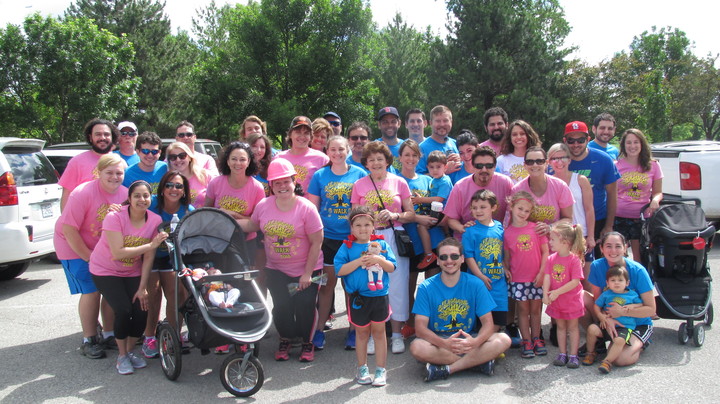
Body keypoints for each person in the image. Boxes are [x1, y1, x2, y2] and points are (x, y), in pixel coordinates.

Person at [238, 159, 324, 362]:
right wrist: (221, 219)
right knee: (282, 305)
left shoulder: (306, 208)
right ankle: (285, 338)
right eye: (277, 183)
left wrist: (307, 274)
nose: (282, 186)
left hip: (306, 268)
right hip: (276, 267)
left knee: (305, 305)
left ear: (294, 181)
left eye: (286, 181)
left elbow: (317, 242)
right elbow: (252, 224)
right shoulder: (264, 205)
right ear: (271, 186)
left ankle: (307, 342)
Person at [89, 180, 168, 375]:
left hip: (132, 270)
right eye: (137, 196)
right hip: (105, 269)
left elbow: (149, 257)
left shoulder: (155, 220)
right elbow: (118, 253)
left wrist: (143, 288)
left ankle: (131, 350)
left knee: (142, 308)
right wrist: (151, 245)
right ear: (129, 199)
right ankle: (122, 355)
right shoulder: (114, 217)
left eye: (146, 196)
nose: (142, 199)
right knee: (123, 310)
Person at [54, 154, 128, 359]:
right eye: (109, 173)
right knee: (92, 290)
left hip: (102, 249)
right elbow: (69, 230)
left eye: (119, 173)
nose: (114, 177)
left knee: (110, 287)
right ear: (98, 173)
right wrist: (88, 257)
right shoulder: (83, 192)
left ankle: (109, 333)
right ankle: (89, 339)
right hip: (73, 246)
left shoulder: (124, 194)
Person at [410, 238, 512, 382]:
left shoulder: (476, 284)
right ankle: (478, 362)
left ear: (462, 259)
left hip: (468, 340)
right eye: (443, 257)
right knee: (417, 347)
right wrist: (444, 343)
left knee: (503, 339)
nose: (449, 261)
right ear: (438, 261)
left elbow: (488, 323)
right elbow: (420, 329)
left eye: (454, 256)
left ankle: (448, 369)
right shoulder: (426, 287)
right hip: (439, 342)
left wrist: (475, 342)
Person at [351, 141, 415, 354]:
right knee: (372, 285)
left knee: (397, 284)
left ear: (387, 161)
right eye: (371, 160)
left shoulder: (399, 182)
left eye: (380, 159)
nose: (376, 163)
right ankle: (372, 335)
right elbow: (353, 216)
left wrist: (395, 215)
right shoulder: (359, 185)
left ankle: (397, 334)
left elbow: (411, 213)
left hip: (393, 236)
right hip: (368, 238)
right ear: (366, 163)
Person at [306, 136, 366, 350]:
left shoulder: (359, 174)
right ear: (327, 151)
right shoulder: (320, 175)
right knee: (326, 285)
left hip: (351, 239)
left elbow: (364, 207)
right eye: (333, 149)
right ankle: (319, 329)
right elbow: (312, 209)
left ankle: (353, 329)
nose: (337, 153)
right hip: (327, 239)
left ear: (348, 150)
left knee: (351, 287)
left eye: (341, 149)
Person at [335, 206, 397, 387]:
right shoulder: (346, 246)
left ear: (373, 226)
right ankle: (362, 368)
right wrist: (358, 261)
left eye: (367, 224)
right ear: (352, 228)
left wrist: (379, 260)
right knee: (361, 334)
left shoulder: (382, 245)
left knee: (379, 333)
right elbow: (339, 270)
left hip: (379, 296)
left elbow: (392, 267)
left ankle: (380, 369)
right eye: (358, 225)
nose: (363, 229)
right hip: (358, 298)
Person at [142, 171, 195, 358]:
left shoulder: (188, 209)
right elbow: (129, 210)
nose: (174, 189)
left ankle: (174, 335)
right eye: (169, 185)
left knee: (177, 295)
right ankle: (149, 336)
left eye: (179, 186)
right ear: (162, 189)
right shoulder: (152, 204)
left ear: (184, 190)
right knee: (153, 294)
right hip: (149, 255)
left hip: (173, 257)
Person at [585, 232, 656, 367]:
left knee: (621, 360)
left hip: (637, 323)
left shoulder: (638, 271)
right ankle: (601, 340)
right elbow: (597, 300)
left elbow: (651, 310)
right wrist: (605, 318)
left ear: (625, 247)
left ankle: (639, 343)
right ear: (601, 248)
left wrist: (622, 312)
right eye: (608, 246)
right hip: (611, 317)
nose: (613, 251)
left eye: (618, 246)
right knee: (581, 297)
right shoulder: (597, 266)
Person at [397, 140, 442, 340]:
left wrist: (432, 218)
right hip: (410, 240)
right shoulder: (395, 180)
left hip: (432, 238)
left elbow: (438, 203)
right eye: (407, 154)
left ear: (419, 157)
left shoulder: (427, 180)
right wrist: (417, 218)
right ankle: (409, 322)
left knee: (433, 284)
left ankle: (431, 322)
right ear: (400, 157)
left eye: (414, 155)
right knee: (409, 284)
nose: (411, 159)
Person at [503, 191, 549, 358]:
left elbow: (545, 252)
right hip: (518, 279)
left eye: (527, 211)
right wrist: (505, 268)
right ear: (511, 207)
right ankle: (526, 340)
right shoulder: (507, 233)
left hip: (536, 277)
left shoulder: (535, 228)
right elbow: (507, 257)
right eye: (520, 209)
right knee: (522, 310)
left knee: (536, 310)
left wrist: (542, 273)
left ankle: (537, 338)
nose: (523, 213)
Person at [204, 142, 265, 266]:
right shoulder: (215, 183)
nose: (238, 163)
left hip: (246, 242)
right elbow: (206, 212)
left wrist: (232, 215)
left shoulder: (257, 187)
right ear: (227, 161)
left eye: (242, 159)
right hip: (218, 240)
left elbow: (258, 221)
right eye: (234, 159)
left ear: (248, 162)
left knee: (244, 280)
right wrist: (221, 214)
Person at [565, 120, 620, 250]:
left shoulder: (603, 159)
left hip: (597, 221)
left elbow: (612, 194)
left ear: (588, 139)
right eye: (571, 140)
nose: (576, 144)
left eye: (581, 140)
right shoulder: (559, 161)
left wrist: (608, 226)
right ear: (564, 141)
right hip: (567, 222)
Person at [582, 265, 643, 373]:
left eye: (620, 280)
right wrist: (601, 317)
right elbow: (597, 306)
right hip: (606, 324)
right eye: (613, 280)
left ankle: (607, 362)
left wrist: (632, 307)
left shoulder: (632, 295)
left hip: (624, 327)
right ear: (607, 283)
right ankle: (590, 353)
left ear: (627, 283)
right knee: (592, 329)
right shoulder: (606, 294)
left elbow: (640, 304)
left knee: (619, 340)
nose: (617, 283)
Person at [548, 143, 595, 282]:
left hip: (581, 234)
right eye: (554, 158)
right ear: (549, 162)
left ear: (569, 160)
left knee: (586, 281)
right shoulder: (548, 182)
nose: (559, 162)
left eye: (563, 157)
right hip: (560, 238)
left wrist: (591, 236)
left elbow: (589, 209)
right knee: (562, 280)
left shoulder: (580, 180)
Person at [614, 128, 663, 261]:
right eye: (628, 142)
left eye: (636, 142)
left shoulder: (653, 165)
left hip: (641, 217)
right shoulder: (616, 166)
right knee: (619, 258)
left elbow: (658, 192)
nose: (632, 146)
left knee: (639, 257)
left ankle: (639, 280)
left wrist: (655, 200)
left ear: (642, 144)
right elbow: (610, 193)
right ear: (623, 145)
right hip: (619, 216)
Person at [462, 190, 507, 332]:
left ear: (493, 207)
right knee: (480, 317)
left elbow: (503, 252)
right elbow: (469, 257)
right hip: (479, 282)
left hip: (498, 282)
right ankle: (484, 346)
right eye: (474, 208)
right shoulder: (470, 231)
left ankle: (490, 343)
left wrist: (505, 267)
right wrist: (480, 276)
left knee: (498, 318)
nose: (478, 211)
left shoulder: (500, 227)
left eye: (483, 207)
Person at [445, 147, 513, 239]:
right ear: (473, 165)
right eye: (479, 166)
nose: (484, 170)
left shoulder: (505, 183)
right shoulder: (460, 187)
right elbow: (451, 219)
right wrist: (464, 229)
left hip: (497, 238)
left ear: (495, 166)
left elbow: (515, 211)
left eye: (489, 166)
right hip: (468, 239)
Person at [542, 222, 586, 369]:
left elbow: (575, 282)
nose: (550, 242)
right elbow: (547, 276)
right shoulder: (551, 259)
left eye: (553, 240)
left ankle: (573, 355)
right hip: (557, 300)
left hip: (571, 300)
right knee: (560, 327)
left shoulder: (574, 260)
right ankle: (562, 353)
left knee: (573, 328)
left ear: (565, 242)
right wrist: (545, 293)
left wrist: (556, 292)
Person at [511, 146, 574, 235]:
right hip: (527, 242)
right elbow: (512, 221)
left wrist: (550, 227)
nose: (535, 165)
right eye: (530, 162)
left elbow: (568, 219)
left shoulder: (560, 186)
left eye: (539, 161)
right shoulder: (517, 190)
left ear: (546, 163)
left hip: (555, 242)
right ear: (525, 165)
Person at [60, 118, 119, 210]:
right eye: (98, 134)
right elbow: (67, 195)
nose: (103, 138)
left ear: (112, 137)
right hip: (83, 221)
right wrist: (65, 221)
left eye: (106, 134)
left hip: (114, 222)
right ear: (90, 137)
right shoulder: (77, 162)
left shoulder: (120, 162)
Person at [415, 150, 452, 270]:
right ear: (427, 167)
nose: (435, 170)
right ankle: (446, 235)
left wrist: (420, 200)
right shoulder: (433, 180)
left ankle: (429, 254)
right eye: (431, 167)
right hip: (437, 210)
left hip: (442, 211)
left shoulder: (445, 181)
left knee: (421, 226)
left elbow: (439, 198)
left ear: (445, 167)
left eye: (438, 167)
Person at [276, 116, 330, 193]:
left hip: (311, 204)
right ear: (290, 134)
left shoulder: (322, 159)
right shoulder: (279, 158)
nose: (302, 136)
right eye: (298, 132)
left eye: (306, 133)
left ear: (311, 137)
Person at [165, 141, 213, 207]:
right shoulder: (167, 180)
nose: (178, 160)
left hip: (203, 216)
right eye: (173, 157)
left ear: (190, 157)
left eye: (182, 156)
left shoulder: (205, 176)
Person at [417, 105, 461, 175]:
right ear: (431, 123)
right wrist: (443, 171)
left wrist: (462, 159)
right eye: (438, 121)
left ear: (451, 122)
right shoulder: (421, 148)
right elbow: (418, 178)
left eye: (445, 120)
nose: (442, 124)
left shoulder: (457, 144)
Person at [376, 106, 405, 172]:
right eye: (385, 122)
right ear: (379, 125)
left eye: (393, 121)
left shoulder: (406, 147)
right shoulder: (373, 147)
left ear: (399, 123)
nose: (389, 125)